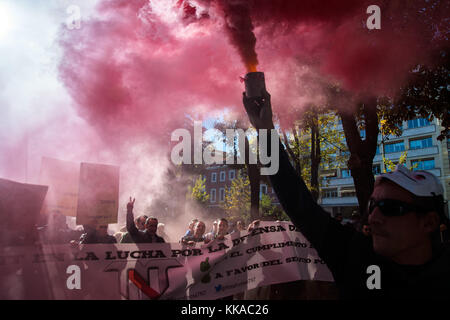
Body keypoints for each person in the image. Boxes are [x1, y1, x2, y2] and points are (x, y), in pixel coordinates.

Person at [243, 89, 450, 299]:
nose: (374, 218)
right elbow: (298, 202)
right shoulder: (354, 254)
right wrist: (265, 132)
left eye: (390, 208)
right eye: (372, 206)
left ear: (429, 223)